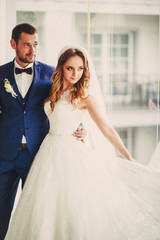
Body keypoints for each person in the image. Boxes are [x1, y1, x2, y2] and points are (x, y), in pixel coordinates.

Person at [4, 46, 160, 240]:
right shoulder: (53, 89)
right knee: (45, 207)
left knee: (71, 209)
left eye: (80, 69)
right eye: (70, 68)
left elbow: (107, 129)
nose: (75, 73)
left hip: (70, 155)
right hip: (47, 152)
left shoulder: (86, 97)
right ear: (61, 67)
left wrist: (130, 157)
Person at [0, 25, 85, 240]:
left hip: (39, 157)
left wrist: (80, 126)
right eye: (26, 44)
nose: (32, 49)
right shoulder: (1, 75)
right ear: (13, 44)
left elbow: (69, 101)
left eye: (35, 44)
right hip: (5, 157)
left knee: (38, 217)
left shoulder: (51, 73)